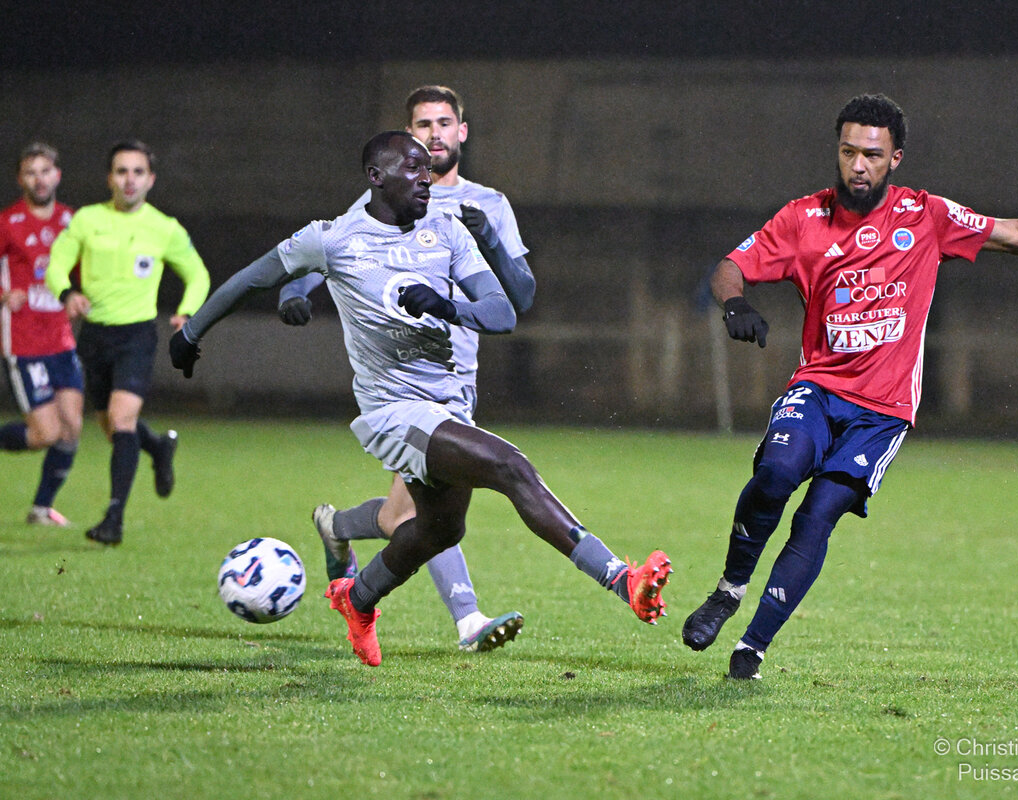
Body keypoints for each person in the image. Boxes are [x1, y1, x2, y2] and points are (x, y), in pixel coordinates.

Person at [682, 93, 1018, 680]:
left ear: (895, 158)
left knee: (818, 514)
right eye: (848, 152)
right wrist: (735, 304)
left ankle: (751, 648)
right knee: (776, 473)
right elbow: (731, 265)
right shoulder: (804, 219)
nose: (858, 166)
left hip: (882, 412)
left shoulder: (926, 217)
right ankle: (729, 590)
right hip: (819, 387)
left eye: (872, 155)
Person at [170, 131, 670, 668]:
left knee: (440, 529)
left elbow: (502, 312)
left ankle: (357, 598)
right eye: (411, 167)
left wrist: (448, 306)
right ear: (375, 176)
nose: (425, 177)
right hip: (393, 411)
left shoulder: (445, 230)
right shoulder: (333, 238)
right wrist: (191, 333)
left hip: (447, 403)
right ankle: (621, 578)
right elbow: (252, 279)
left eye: (427, 168)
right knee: (509, 466)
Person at [277, 86, 536, 654]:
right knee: (429, 512)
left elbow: (522, 295)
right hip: (402, 383)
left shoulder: (490, 204)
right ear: (409, 134)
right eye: (423, 124)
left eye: (445, 122)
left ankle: (336, 527)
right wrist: (296, 290)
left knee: (401, 513)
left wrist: (491, 242)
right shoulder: (386, 198)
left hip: (458, 378)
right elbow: (329, 251)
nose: (435, 133)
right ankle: (468, 620)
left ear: (462, 131)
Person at [45, 139, 210, 545]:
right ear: (110, 178)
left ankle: (113, 519)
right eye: (122, 171)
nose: (129, 179)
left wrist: (187, 311)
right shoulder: (87, 220)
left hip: (136, 335)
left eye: (138, 172)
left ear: (150, 179)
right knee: (112, 428)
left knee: (121, 421)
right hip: (94, 335)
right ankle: (158, 448)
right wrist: (67, 294)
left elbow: (197, 274)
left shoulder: (165, 228)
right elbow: (56, 264)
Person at [0, 143, 83, 526]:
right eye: (31, 172)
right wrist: (4, 294)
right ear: (21, 179)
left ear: (57, 175)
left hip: (61, 341)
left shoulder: (72, 221)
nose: (39, 179)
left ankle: (40, 509)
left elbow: (85, 270)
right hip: (24, 342)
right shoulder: (8, 222)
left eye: (45, 171)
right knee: (46, 433)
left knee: (72, 428)